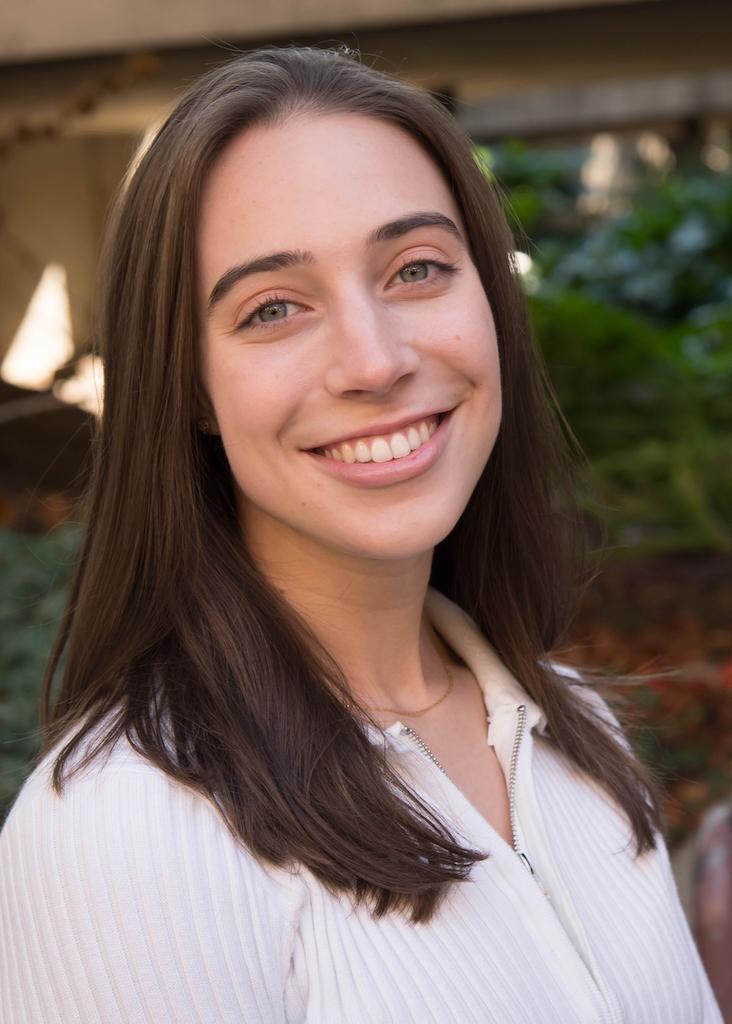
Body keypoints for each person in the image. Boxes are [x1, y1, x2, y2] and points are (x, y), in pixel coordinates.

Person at [0, 45, 723, 1024]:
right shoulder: (126, 828)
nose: (374, 361)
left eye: (416, 268)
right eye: (274, 308)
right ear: (189, 388)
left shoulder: (577, 732)